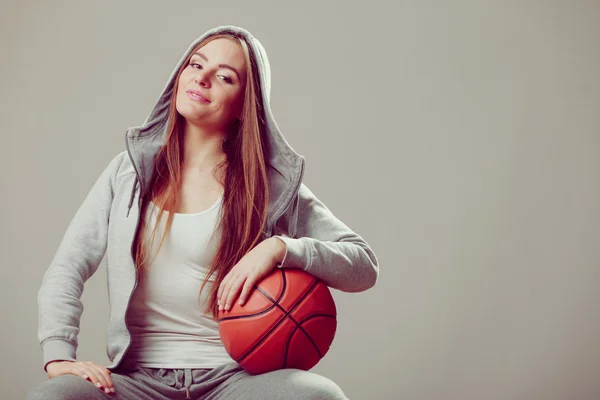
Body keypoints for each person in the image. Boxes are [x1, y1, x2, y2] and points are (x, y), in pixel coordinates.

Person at [28, 25, 379, 400]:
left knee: (319, 397)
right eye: (196, 65)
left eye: (225, 77)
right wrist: (58, 356)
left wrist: (280, 248)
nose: (203, 78)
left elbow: (363, 266)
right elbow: (68, 266)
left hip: (232, 381)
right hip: (136, 382)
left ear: (245, 105)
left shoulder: (267, 187)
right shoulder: (127, 173)